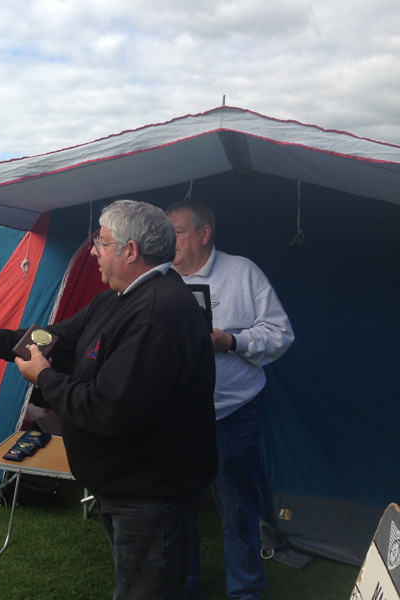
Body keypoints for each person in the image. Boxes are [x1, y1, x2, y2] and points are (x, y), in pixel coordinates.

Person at [0, 199, 218, 600]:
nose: (92, 252)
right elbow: (53, 338)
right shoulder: (118, 299)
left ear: (130, 250)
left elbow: (108, 409)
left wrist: (45, 378)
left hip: (150, 494)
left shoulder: (156, 314)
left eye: (101, 243)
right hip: (124, 486)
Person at [166, 199, 294, 600]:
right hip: (175, 420)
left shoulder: (243, 272)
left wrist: (232, 341)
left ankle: (245, 593)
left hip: (232, 415)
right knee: (178, 511)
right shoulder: (160, 277)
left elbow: (280, 333)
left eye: (177, 232)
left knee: (238, 511)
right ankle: (184, 590)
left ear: (204, 234)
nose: (170, 241)